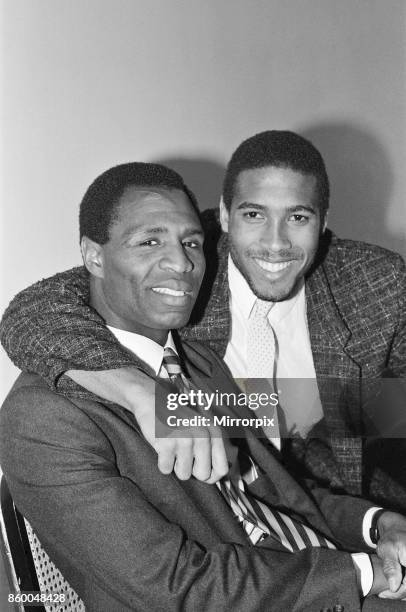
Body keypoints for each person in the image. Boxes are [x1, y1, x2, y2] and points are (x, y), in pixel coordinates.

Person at [2, 161, 406, 611]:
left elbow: (276, 490)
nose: (181, 262)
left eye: (299, 217)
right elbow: (177, 589)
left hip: (314, 564)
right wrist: (363, 573)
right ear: (228, 221)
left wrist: (376, 523)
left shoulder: (197, 360)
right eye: (150, 241)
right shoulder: (45, 419)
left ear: (323, 224)